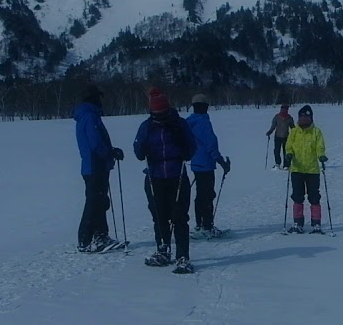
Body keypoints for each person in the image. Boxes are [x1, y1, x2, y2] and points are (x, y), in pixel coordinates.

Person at [133, 87, 197, 273]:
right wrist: (142, 149)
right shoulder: (146, 126)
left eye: (162, 112)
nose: (160, 115)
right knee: (159, 217)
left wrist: (185, 152)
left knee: (179, 217)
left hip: (177, 175)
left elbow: (192, 146)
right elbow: (138, 150)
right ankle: (163, 250)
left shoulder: (179, 124)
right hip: (155, 177)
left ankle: (182, 255)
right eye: (156, 112)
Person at [73, 84, 125, 252]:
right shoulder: (89, 117)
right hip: (95, 166)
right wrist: (110, 153)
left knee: (99, 201)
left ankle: (100, 236)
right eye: (99, 97)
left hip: (93, 165)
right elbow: (96, 143)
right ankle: (85, 240)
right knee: (94, 202)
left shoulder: (87, 115)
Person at [186, 93, 231, 238]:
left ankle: (200, 224)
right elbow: (211, 144)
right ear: (205, 107)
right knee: (207, 195)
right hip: (206, 164)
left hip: (195, 163)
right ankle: (206, 226)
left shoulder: (188, 122)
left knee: (200, 195)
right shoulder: (204, 122)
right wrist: (221, 161)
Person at [283, 104, 328, 234]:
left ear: (310, 118)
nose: (303, 119)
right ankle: (297, 223)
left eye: (306, 117)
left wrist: (322, 156)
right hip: (297, 169)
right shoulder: (294, 132)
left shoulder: (316, 132)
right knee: (297, 196)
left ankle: (316, 224)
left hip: (312, 170)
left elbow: (320, 147)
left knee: (314, 197)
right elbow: (289, 146)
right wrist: (289, 154)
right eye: (301, 117)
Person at [265, 103, 295, 169]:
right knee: (276, 151)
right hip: (277, 136)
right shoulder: (276, 117)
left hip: (286, 137)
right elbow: (273, 126)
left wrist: (295, 134)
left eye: (286, 109)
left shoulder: (289, 118)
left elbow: (293, 128)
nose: (284, 111)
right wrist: (270, 132)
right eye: (283, 109)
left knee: (286, 151)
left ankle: (286, 165)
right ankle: (277, 163)